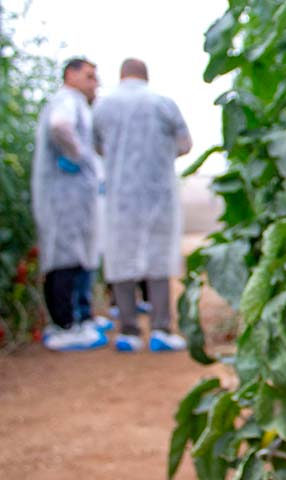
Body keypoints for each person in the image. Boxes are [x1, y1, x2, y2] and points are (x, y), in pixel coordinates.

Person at [93, 58, 192, 352]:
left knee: (121, 258)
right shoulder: (163, 104)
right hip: (157, 193)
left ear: (121, 75)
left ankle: (128, 332)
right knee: (158, 259)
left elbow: (95, 146)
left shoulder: (103, 106)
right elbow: (185, 144)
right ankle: (161, 329)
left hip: (119, 195)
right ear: (146, 76)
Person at [32, 57, 108, 351]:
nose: (95, 83)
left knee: (76, 255)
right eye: (89, 76)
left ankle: (80, 318)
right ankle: (65, 326)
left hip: (70, 196)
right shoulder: (67, 100)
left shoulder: (76, 103)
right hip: (62, 197)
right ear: (71, 75)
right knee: (64, 257)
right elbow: (60, 126)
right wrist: (78, 156)